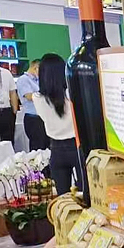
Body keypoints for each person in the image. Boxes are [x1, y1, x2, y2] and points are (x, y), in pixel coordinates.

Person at [32, 53, 80, 194]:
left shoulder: (37, 98)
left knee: (62, 198)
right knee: (84, 195)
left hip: (56, 150)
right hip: (76, 148)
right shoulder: (72, 94)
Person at [16, 59, 49, 151]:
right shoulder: (23, 80)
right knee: (37, 147)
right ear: (35, 68)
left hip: (43, 117)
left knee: (46, 146)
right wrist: (45, 94)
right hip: (33, 118)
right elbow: (29, 96)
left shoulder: (39, 80)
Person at [0, 52, 19, 145]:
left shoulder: (6, 73)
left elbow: (12, 92)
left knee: (8, 142)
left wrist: (14, 111)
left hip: (6, 111)